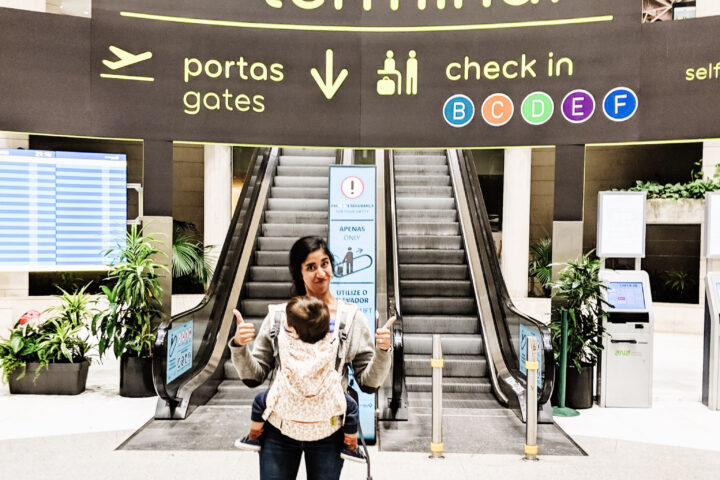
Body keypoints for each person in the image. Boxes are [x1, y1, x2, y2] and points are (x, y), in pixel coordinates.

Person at [230, 236, 394, 480]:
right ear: (299, 272)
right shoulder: (278, 318)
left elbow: (368, 383)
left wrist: (383, 351)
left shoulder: (351, 319)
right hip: (279, 430)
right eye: (311, 266)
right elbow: (254, 377)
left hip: (328, 433)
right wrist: (239, 346)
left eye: (325, 263)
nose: (321, 273)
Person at [234, 295, 365, 463]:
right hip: (327, 402)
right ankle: (351, 446)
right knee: (352, 407)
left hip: (288, 404)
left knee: (260, 402)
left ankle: (253, 437)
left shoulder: (287, 344)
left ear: (293, 330)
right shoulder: (328, 344)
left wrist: (239, 343)